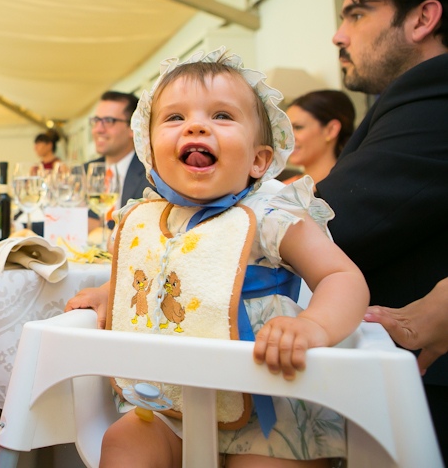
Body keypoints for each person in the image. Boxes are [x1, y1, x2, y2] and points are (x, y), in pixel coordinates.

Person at [66, 49, 368, 466]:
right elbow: (147, 274)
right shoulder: (147, 217)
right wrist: (107, 294)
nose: (196, 125)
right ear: (150, 152)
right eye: (174, 118)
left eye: (222, 116)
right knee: (123, 445)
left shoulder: (272, 216)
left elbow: (342, 276)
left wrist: (314, 325)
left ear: (260, 159)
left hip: (267, 394)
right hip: (169, 396)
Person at [315, 0, 448, 458]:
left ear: (422, 19)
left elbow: (336, 222)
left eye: (355, 13)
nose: (337, 34)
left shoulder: (433, 88)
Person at [84, 91, 151, 233]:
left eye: (108, 121)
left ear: (132, 127)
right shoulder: (85, 171)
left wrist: (100, 226)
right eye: (96, 121)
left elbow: (143, 226)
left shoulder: (150, 173)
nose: (98, 129)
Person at [282, 89, 355, 184]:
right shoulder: (278, 190)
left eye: (298, 127)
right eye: (286, 129)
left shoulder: (349, 188)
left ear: (331, 130)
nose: (287, 138)